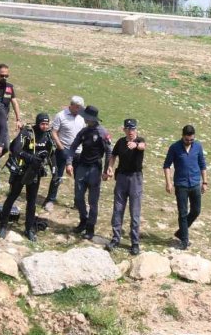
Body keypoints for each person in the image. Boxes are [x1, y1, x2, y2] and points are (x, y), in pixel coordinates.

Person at [0, 113, 55, 242]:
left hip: (35, 172)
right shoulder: (27, 132)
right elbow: (16, 149)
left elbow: (52, 154)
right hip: (21, 170)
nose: (45, 126)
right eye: (42, 124)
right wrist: (30, 157)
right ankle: (3, 226)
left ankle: (28, 228)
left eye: (47, 124)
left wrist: (55, 170)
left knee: (32, 201)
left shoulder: (47, 136)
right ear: (37, 123)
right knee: (12, 196)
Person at [65, 105, 111, 241]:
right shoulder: (84, 131)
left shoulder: (102, 132)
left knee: (93, 201)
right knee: (78, 198)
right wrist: (68, 162)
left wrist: (106, 170)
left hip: (95, 170)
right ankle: (83, 219)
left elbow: (109, 151)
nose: (84, 118)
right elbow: (73, 146)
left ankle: (90, 228)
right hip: (81, 168)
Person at [163, 125, 207, 250]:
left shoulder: (198, 146)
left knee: (196, 211)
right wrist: (168, 182)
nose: (189, 142)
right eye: (187, 140)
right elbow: (166, 165)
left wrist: (205, 182)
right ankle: (184, 240)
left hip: (195, 184)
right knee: (182, 213)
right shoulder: (174, 147)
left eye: (191, 140)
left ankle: (181, 232)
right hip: (181, 185)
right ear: (182, 136)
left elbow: (203, 165)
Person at [106, 119, 146, 255]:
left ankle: (135, 243)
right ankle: (115, 238)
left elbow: (142, 146)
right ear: (124, 130)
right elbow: (113, 155)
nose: (130, 131)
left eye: (133, 129)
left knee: (134, 211)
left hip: (135, 178)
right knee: (118, 209)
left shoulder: (139, 140)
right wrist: (110, 168)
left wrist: (135, 145)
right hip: (122, 177)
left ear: (136, 129)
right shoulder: (120, 142)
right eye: (128, 129)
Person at [43, 95, 85, 212]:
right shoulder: (61, 116)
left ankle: (78, 202)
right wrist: (61, 147)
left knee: (79, 178)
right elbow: (54, 133)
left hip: (78, 152)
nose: (79, 110)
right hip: (63, 150)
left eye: (80, 108)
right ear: (71, 106)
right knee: (57, 176)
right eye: (77, 107)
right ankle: (50, 200)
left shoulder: (82, 118)